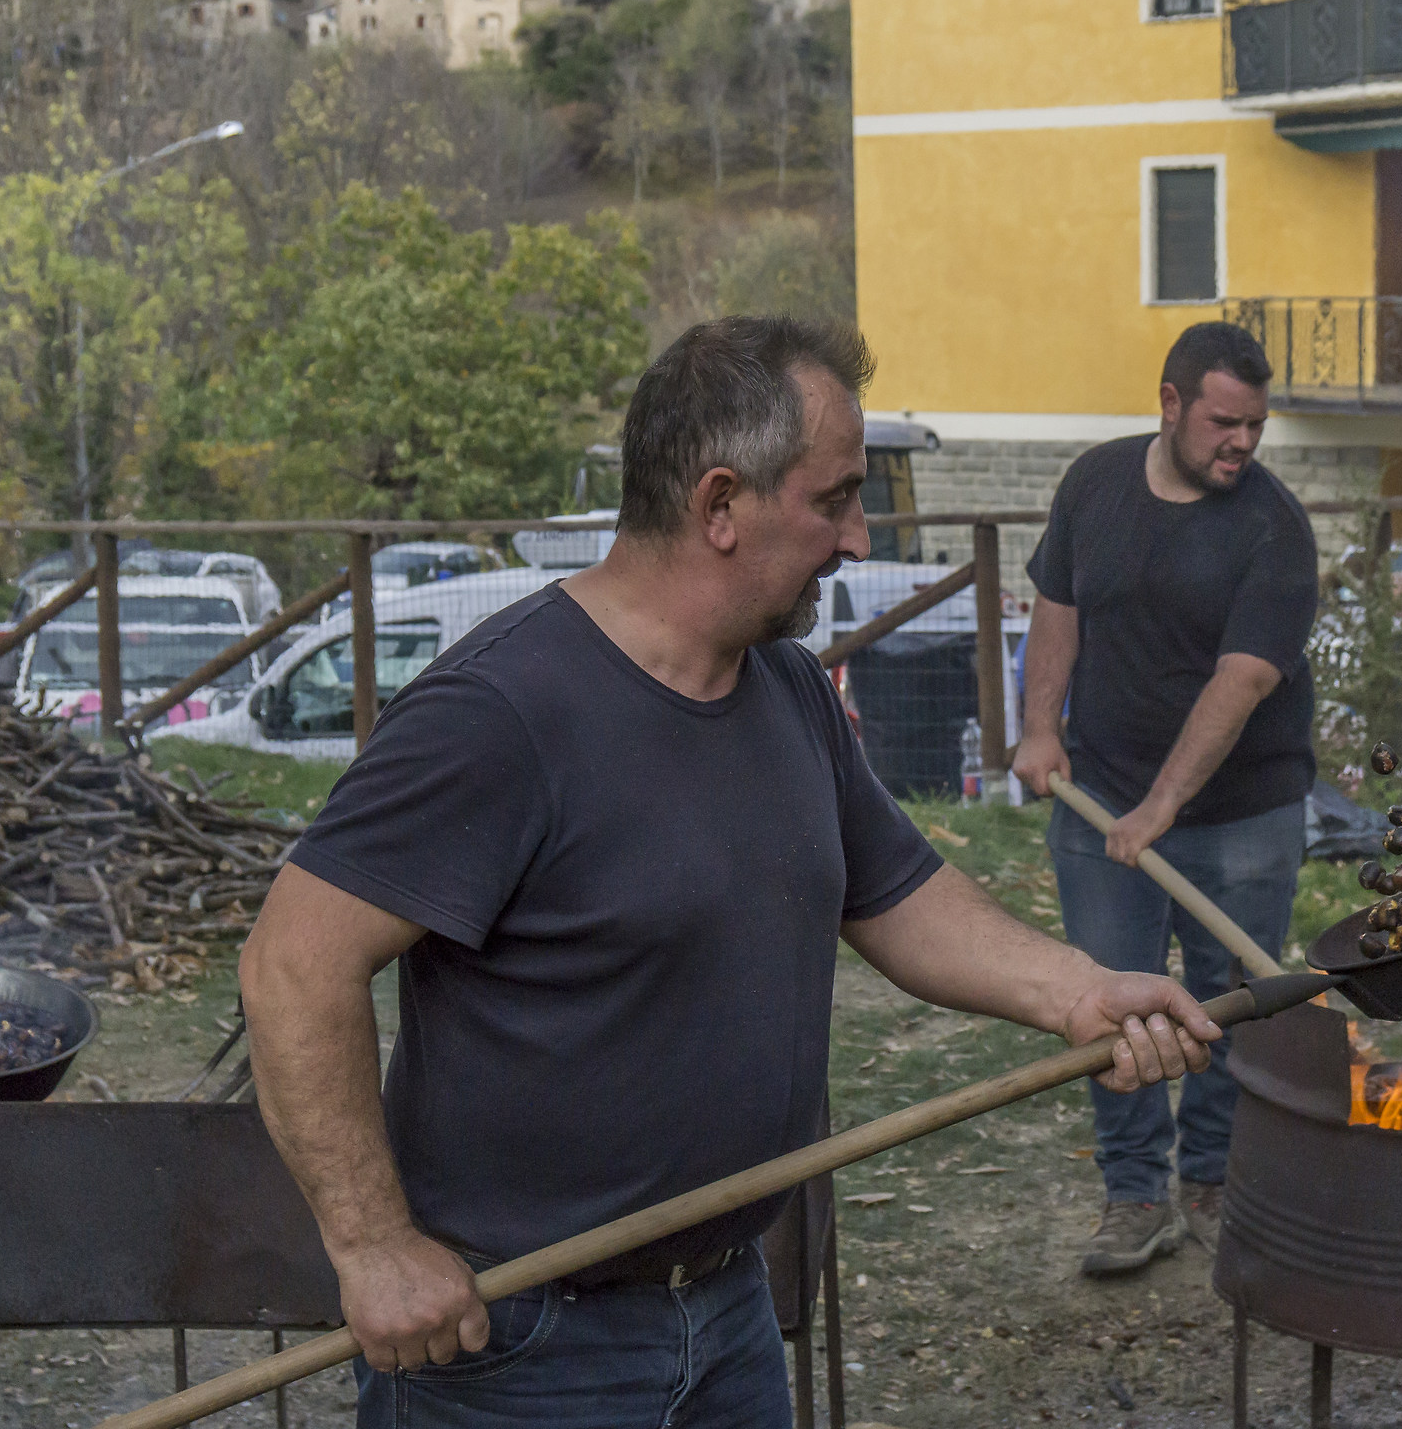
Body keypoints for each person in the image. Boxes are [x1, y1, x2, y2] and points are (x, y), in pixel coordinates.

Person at [239, 317, 1224, 1428]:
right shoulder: (501, 713)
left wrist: (1079, 992)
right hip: (519, 1345)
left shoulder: (787, 688)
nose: (858, 539)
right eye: (834, 500)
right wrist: (373, 1247)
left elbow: (897, 894)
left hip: (725, 1312)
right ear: (720, 505)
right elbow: (293, 965)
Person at [1010, 320, 1320, 1277]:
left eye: (1256, 425)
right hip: (1100, 795)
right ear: (1171, 404)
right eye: (1225, 422)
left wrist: (1163, 806)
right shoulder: (1093, 484)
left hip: (1243, 815)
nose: (1243, 442)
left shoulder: (1274, 528)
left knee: (1230, 1003)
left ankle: (1217, 1177)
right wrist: (1040, 727)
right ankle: (1137, 1194)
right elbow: (1058, 609)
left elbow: (1243, 679)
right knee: (1113, 1006)